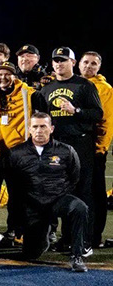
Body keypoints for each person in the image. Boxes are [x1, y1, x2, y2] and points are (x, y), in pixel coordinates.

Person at [33, 47, 102, 252]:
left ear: (73, 63)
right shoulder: (47, 89)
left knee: (83, 193)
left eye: (63, 60)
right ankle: (67, 238)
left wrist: (75, 110)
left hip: (80, 143)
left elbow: (97, 113)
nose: (58, 64)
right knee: (62, 192)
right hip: (57, 146)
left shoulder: (85, 85)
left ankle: (85, 241)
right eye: (55, 61)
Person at [7, 112, 89, 272]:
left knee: (80, 208)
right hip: (33, 206)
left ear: (51, 128)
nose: (39, 130)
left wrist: (58, 193)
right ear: (29, 129)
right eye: (35, 127)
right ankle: (44, 234)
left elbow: (74, 177)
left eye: (43, 126)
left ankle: (77, 255)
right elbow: (13, 185)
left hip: (57, 201)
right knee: (32, 253)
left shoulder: (66, 150)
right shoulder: (16, 153)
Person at [0, 61, 37, 243]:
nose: (3, 77)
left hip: (18, 152)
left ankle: (16, 231)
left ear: (15, 76)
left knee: (17, 195)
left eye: (7, 74)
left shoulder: (27, 92)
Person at [80, 51, 113, 248]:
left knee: (96, 192)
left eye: (93, 63)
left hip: (94, 149)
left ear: (99, 67)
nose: (89, 67)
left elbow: (106, 121)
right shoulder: (75, 84)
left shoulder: (105, 89)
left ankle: (95, 235)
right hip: (77, 147)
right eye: (86, 62)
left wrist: (100, 148)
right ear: (78, 64)